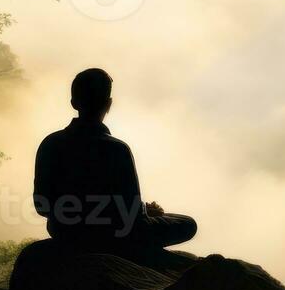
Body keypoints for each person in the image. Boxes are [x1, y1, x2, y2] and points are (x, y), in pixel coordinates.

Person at [33, 68, 197, 258]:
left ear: (74, 103)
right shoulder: (117, 149)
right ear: (108, 104)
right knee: (188, 223)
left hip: (64, 231)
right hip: (115, 236)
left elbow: (41, 206)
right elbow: (132, 213)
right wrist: (147, 212)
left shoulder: (50, 143)